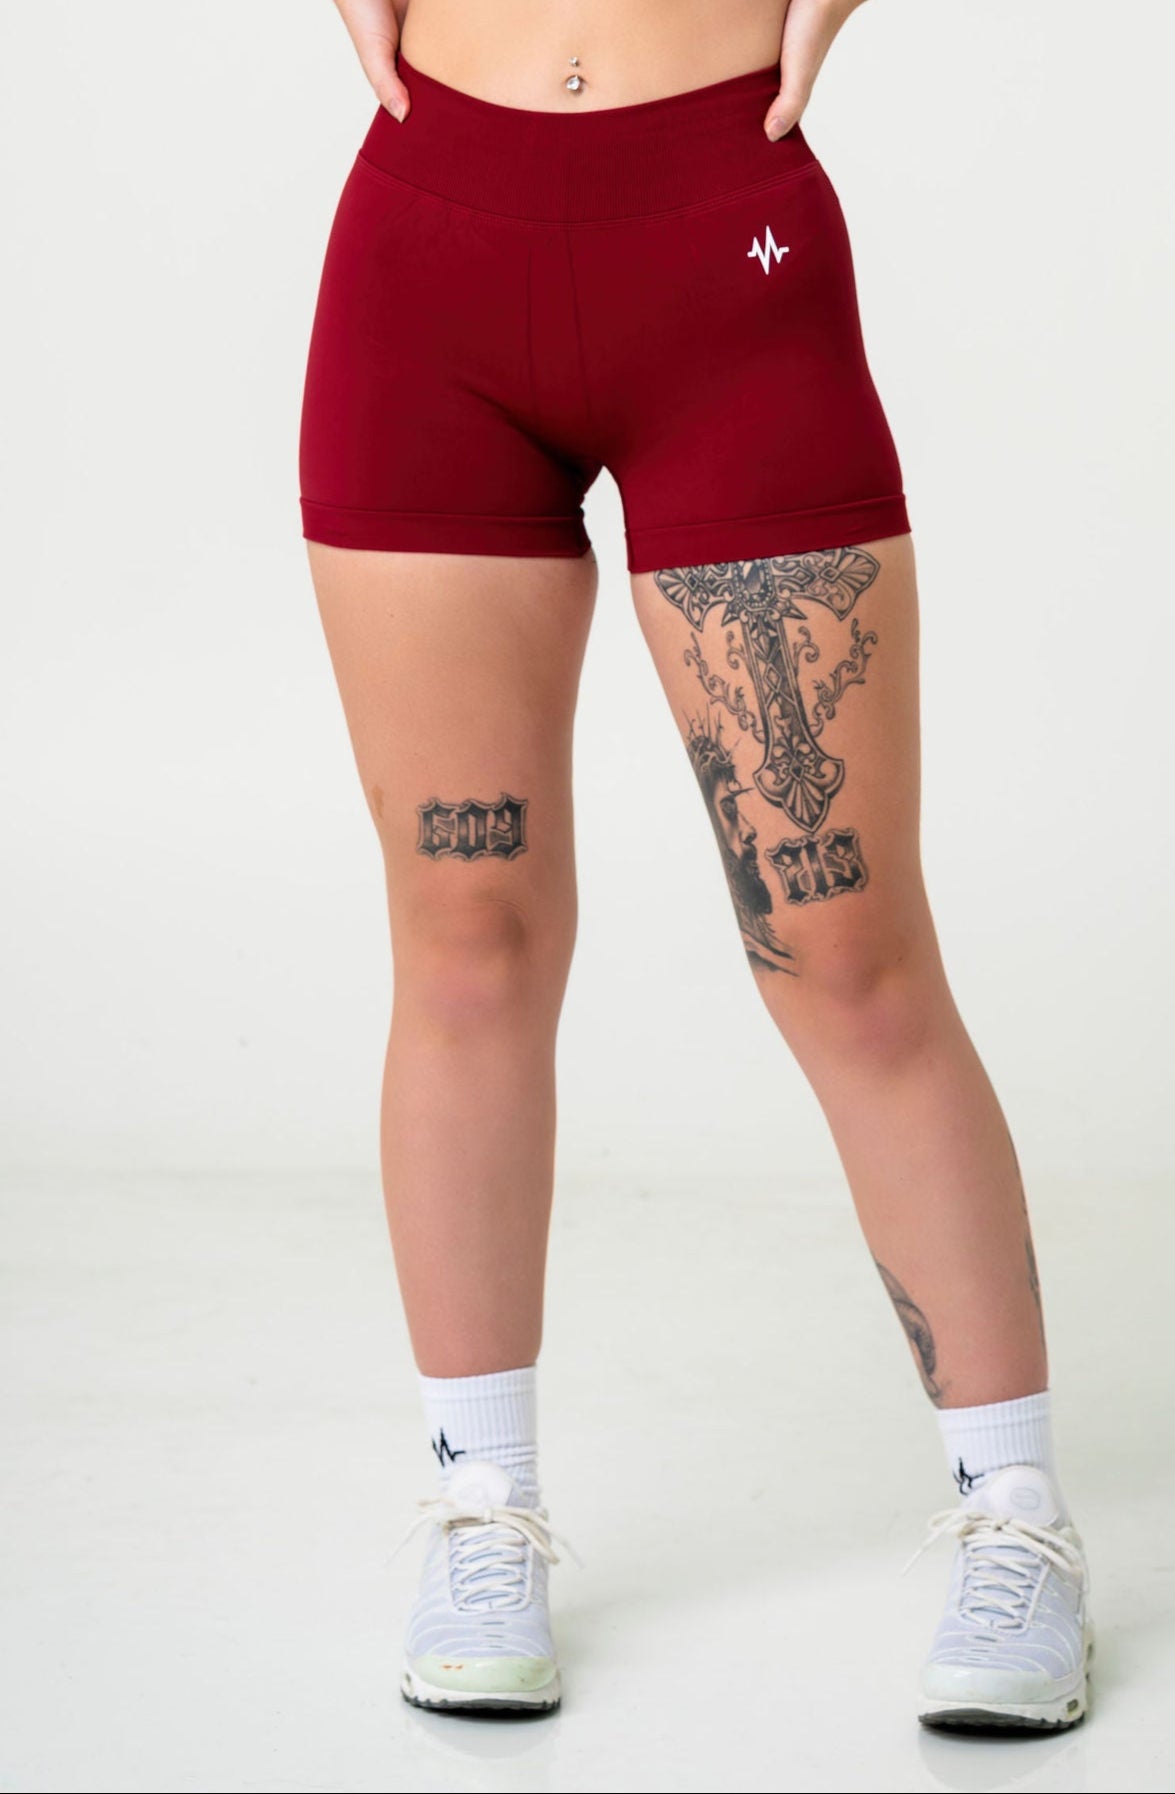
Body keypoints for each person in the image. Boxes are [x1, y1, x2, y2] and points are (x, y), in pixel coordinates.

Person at [300, 0, 1092, 1731]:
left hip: (721, 237)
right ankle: (481, 1503)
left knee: (842, 944)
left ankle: (1015, 1513)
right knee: (462, 928)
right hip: (430, 241)